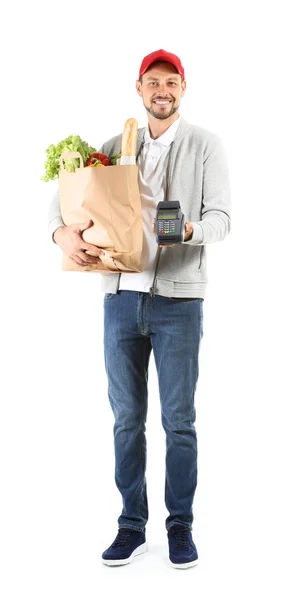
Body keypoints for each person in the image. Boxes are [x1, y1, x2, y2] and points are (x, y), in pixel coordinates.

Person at [48, 49, 231, 569]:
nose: (162, 91)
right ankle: (131, 524)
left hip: (180, 303)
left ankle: (180, 526)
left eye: (170, 82)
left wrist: (189, 229)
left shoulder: (205, 147)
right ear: (139, 87)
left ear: (183, 88)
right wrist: (61, 233)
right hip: (121, 302)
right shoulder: (112, 147)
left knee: (180, 422)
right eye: (153, 82)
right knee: (126, 420)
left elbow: (222, 217)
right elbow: (61, 199)